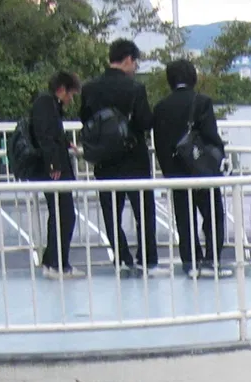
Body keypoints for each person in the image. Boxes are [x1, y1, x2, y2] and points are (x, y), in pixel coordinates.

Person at [80, 40, 160, 276]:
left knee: (111, 211)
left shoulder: (90, 88)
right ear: (127, 59)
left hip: (105, 158)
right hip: (133, 157)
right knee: (143, 210)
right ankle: (147, 259)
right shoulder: (135, 89)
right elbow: (145, 122)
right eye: (135, 62)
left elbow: (86, 118)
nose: (135, 67)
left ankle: (122, 256)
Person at [152, 59, 230, 278]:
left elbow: (160, 144)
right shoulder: (202, 102)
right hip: (201, 170)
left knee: (184, 220)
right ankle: (211, 261)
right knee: (213, 215)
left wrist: (169, 170)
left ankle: (190, 263)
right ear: (193, 77)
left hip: (176, 173)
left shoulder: (160, 107)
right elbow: (211, 137)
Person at [30, 71, 80, 278]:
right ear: (61, 89)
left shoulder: (50, 105)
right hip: (54, 170)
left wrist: (67, 143)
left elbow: (52, 133)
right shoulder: (46, 103)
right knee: (64, 214)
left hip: (54, 167)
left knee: (60, 214)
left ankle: (54, 261)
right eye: (70, 94)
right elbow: (45, 136)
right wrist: (53, 165)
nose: (71, 99)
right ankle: (57, 264)